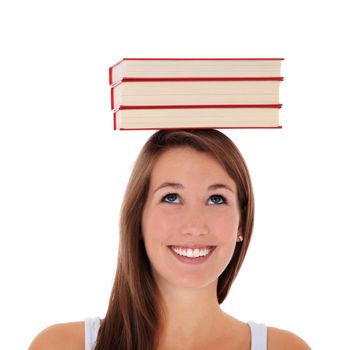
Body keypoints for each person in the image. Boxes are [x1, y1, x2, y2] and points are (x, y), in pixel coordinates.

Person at [29, 129, 311, 350]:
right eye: (171, 197)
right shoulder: (61, 345)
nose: (194, 226)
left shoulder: (286, 348)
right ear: (138, 218)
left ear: (241, 224)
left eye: (216, 199)